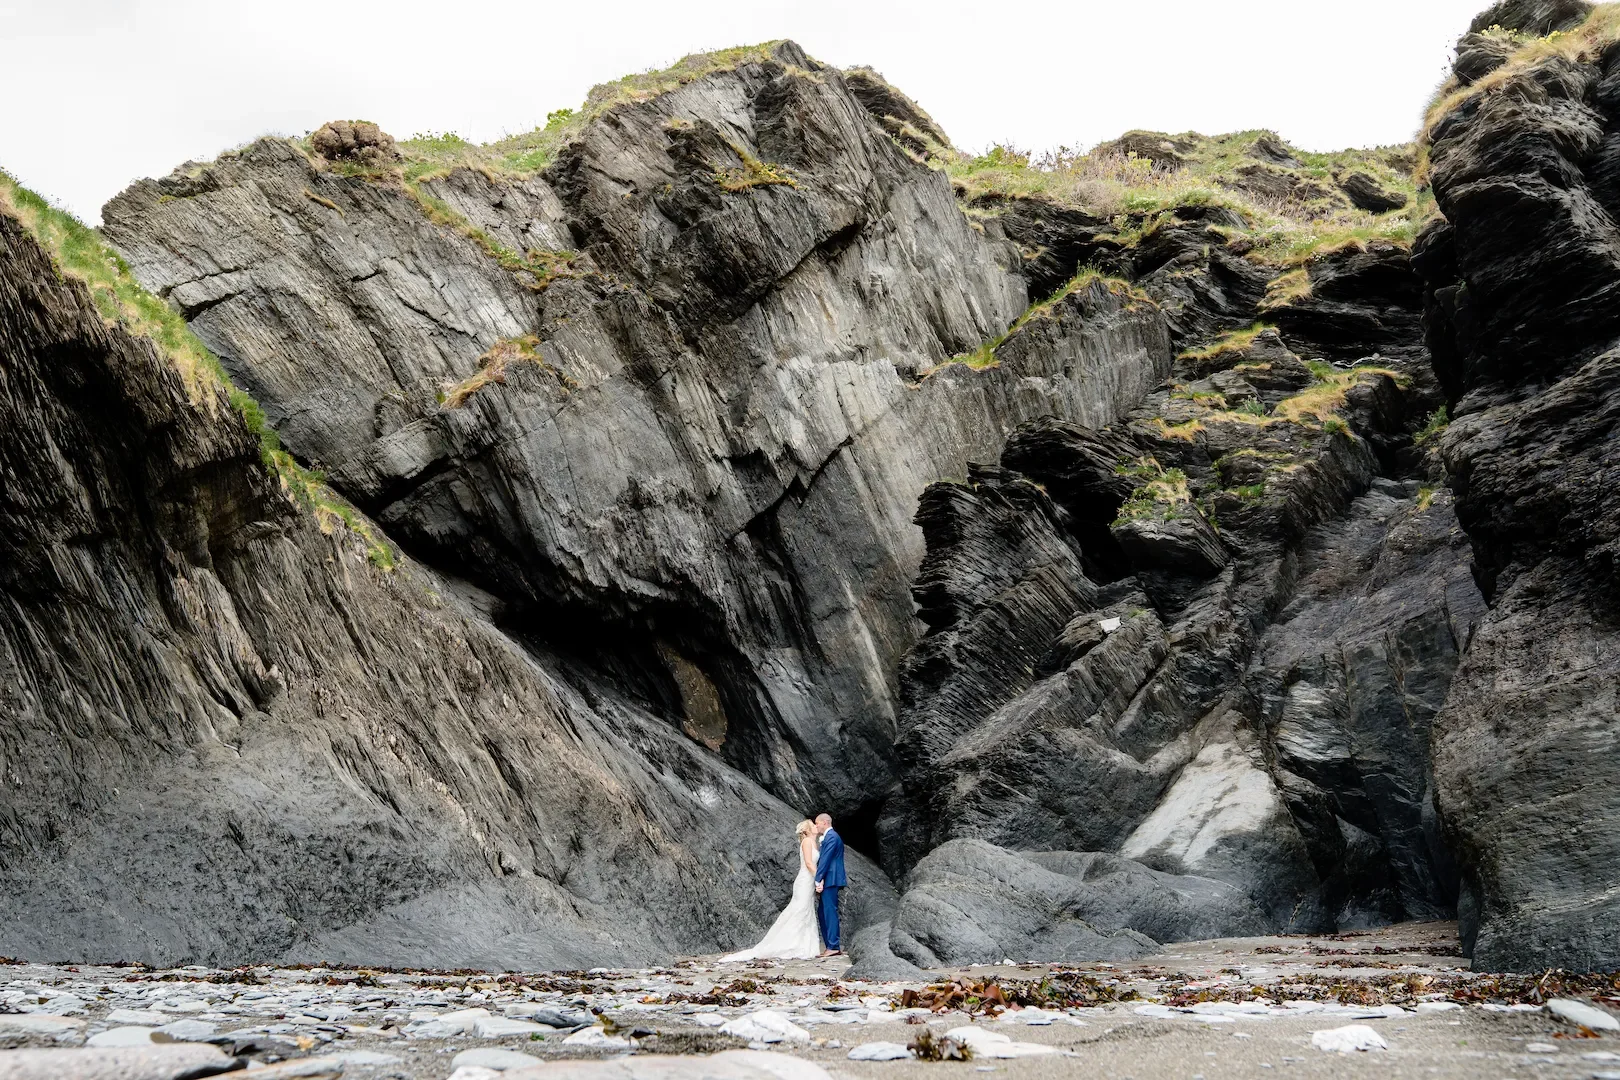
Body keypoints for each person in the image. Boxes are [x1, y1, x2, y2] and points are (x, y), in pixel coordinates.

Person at [719, 820, 822, 961]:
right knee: (799, 910)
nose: (816, 826)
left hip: (809, 881)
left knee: (806, 910)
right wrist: (818, 878)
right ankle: (789, 944)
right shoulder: (807, 842)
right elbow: (809, 863)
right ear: (808, 830)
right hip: (805, 880)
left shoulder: (814, 842)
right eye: (813, 825)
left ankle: (803, 943)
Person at [813, 813, 847, 957]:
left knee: (829, 911)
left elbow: (825, 859)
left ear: (825, 822)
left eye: (817, 823)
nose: (816, 826)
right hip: (830, 877)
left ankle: (833, 946)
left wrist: (818, 878)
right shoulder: (830, 837)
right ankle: (830, 945)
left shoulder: (832, 836)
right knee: (823, 912)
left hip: (831, 878)